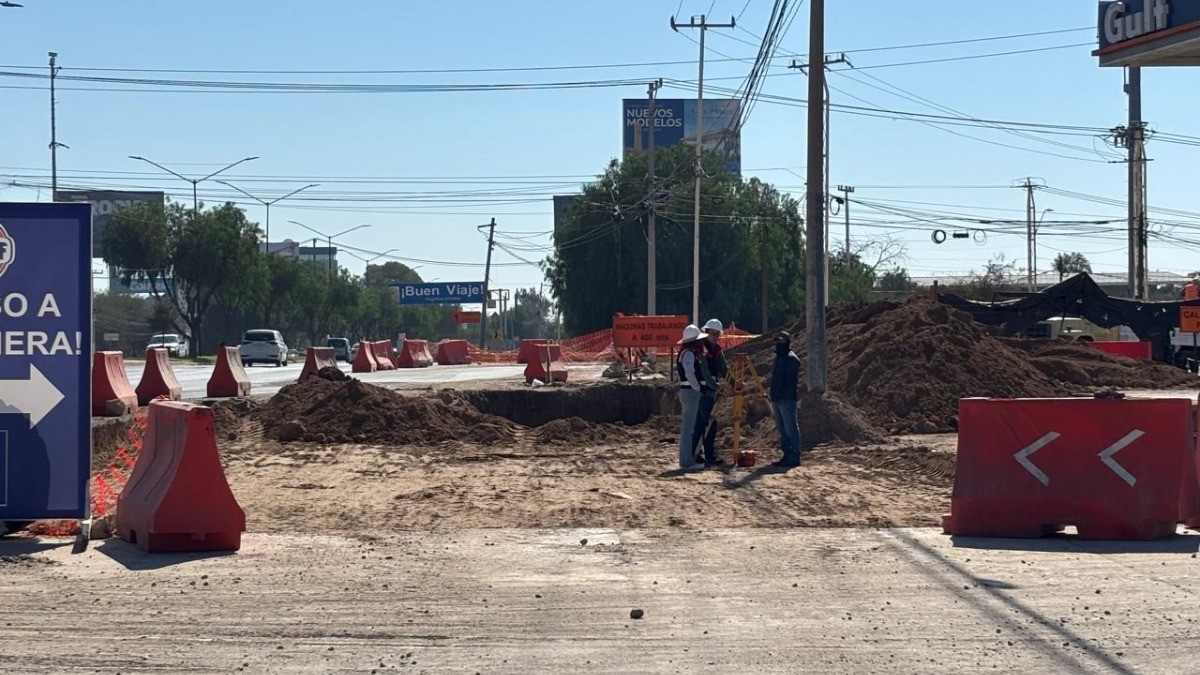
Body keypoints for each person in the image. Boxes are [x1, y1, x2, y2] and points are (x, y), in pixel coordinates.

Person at [692, 318, 729, 468]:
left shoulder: (717, 350)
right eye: (712, 333)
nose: (715, 336)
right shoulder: (702, 350)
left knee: (702, 423)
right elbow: (704, 372)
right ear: (706, 332)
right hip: (703, 391)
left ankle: (698, 454)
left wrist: (734, 382)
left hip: (711, 391)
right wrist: (715, 386)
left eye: (717, 334)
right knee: (708, 423)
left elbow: (724, 369)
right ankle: (707, 456)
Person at [675, 324, 709, 472]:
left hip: (689, 392)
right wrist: (698, 387)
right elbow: (690, 373)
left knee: (689, 429)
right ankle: (686, 462)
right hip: (690, 393)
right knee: (688, 430)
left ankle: (687, 460)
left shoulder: (688, 352)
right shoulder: (688, 354)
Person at [770, 331, 803, 468]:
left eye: (781, 341)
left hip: (786, 400)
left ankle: (794, 456)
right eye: (776, 341)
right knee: (783, 429)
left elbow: (790, 382)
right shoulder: (777, 359)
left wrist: (783, 396)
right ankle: (786, 454)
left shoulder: (791, 359)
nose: (778, 344)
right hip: (777, 399)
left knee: (790, 429)